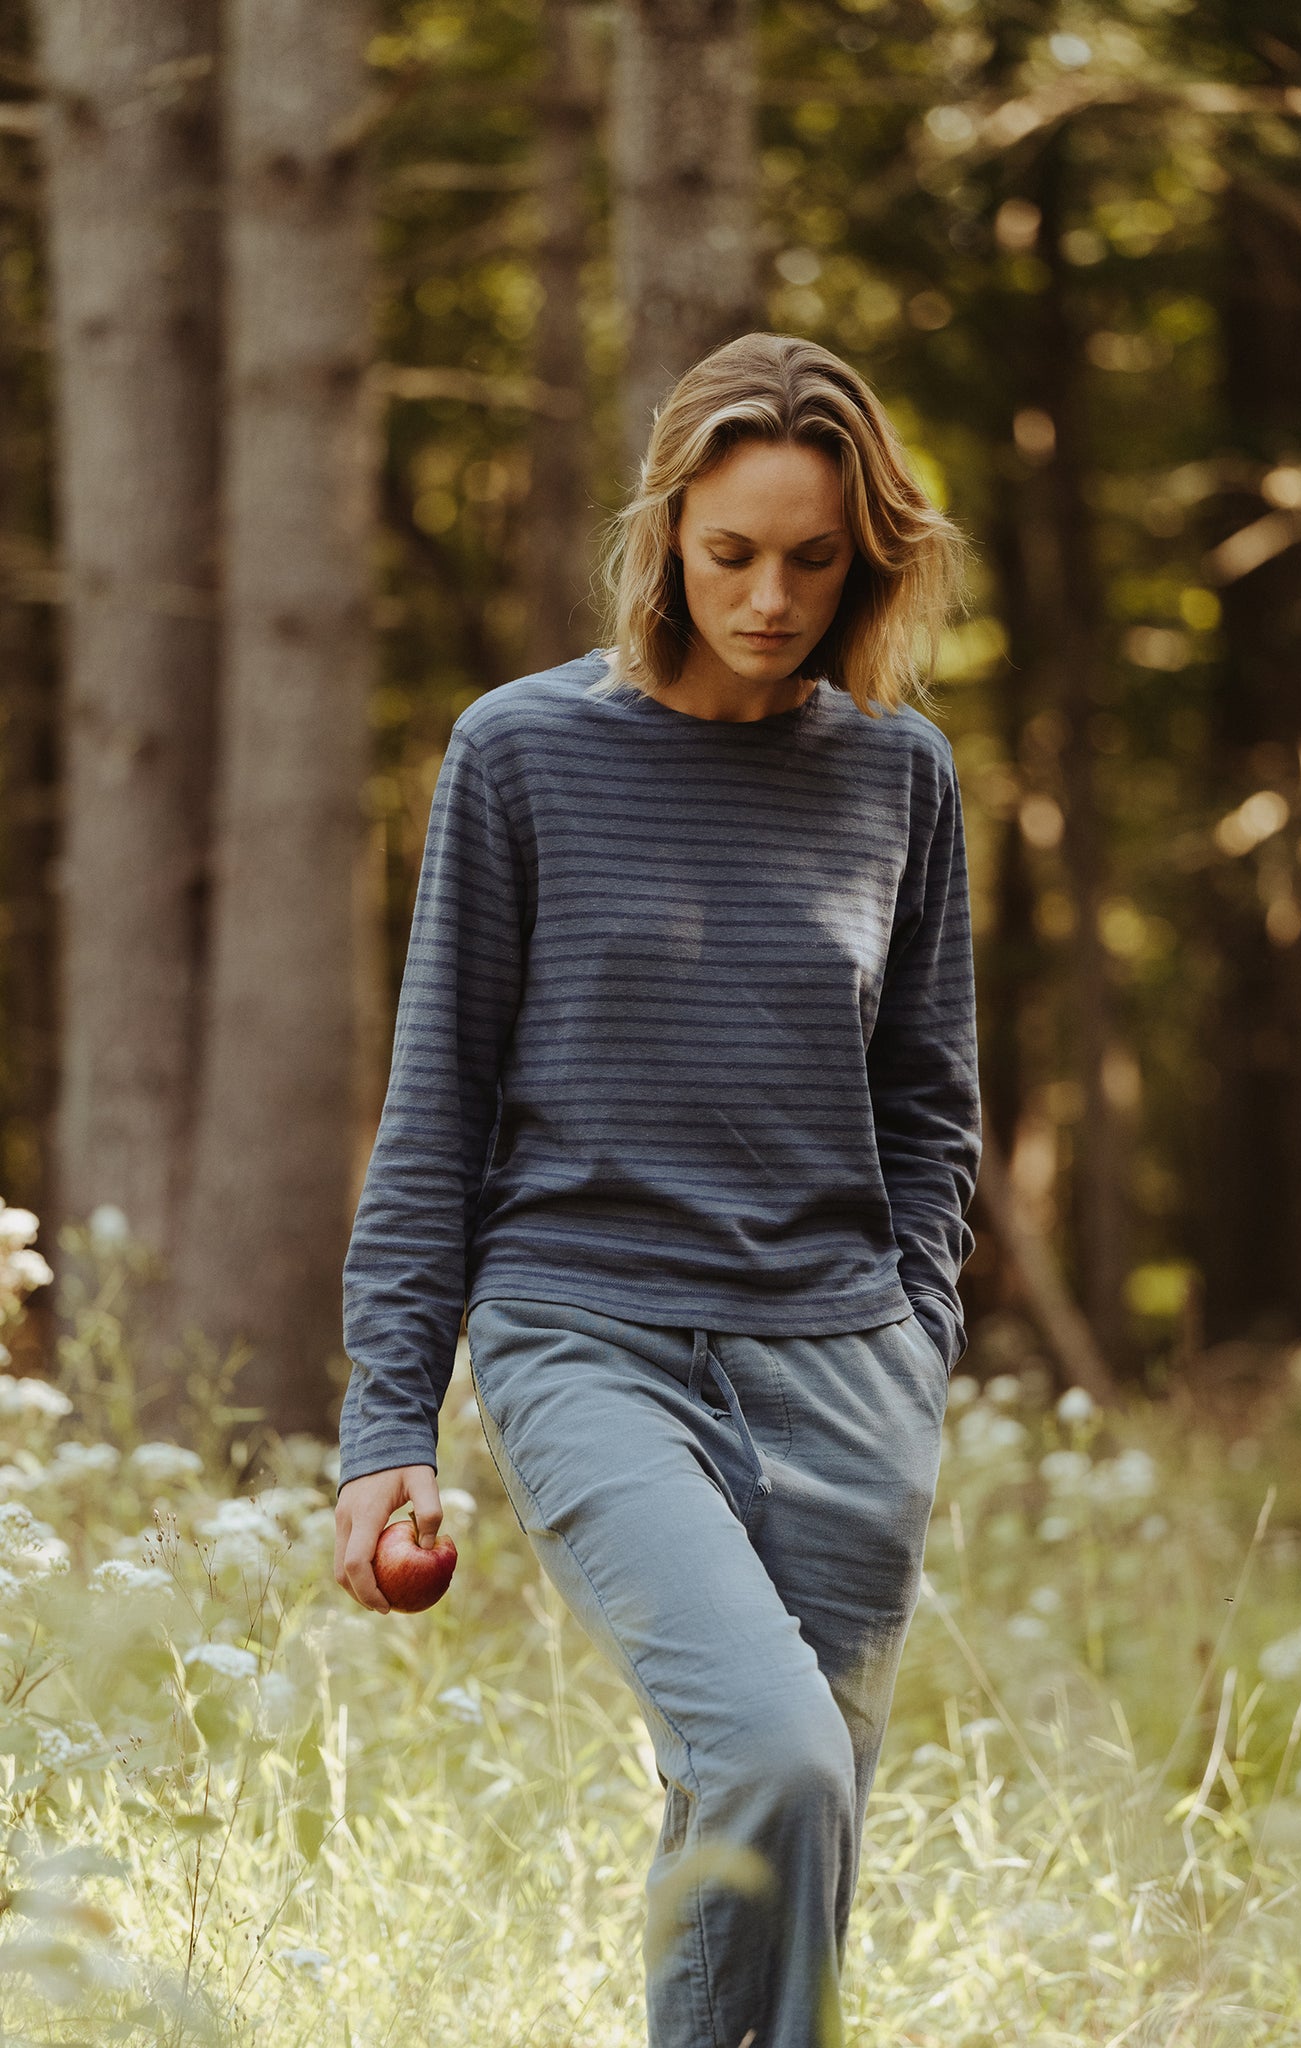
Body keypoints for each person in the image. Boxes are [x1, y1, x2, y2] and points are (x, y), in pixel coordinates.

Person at [333, 330, 982, 2048]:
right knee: (771, 1756)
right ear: (663, 537)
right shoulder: (521, 753)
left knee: (780, 1844)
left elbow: (928, 1107)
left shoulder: (898, 777)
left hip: (844, 1369)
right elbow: (436, 1106)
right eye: (729, 553)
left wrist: (915, 1333)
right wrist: (388, 1420)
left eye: (812, 558)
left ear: (868, 558)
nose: (768, 596)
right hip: (586, 1340)